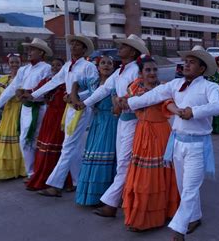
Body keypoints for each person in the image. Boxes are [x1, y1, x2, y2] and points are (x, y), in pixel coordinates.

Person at [118, 47, 219, 241]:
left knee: (190, 188)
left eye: (192, 62)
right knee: (184, 187)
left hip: (197, 145)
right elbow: (153, 95)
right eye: (186, 61)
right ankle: (195, 216)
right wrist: (129, 103)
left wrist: (194, 111)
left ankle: (178, 230)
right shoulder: (175, 84)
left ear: (202, 69)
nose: (186, 64)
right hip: (176, 143)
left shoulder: (210, 87)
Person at [76, 34, 149, 216]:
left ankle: (111, 203)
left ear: (132, 51)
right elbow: (104, 89)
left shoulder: (135, 71)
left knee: (124, 162)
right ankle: (122, 197)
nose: (119, 49)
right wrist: (84, 103)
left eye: (123, 46)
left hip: (133, 121)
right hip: (122, 121)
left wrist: (124, 102)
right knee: (121, 162)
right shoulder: (120, 71)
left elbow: (142, 95)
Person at [26, 34, 98, 197]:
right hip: (70, 108)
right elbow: (54, 82)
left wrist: (78, 97)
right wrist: (34, 95)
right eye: (72, 44)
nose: (73, 47)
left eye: (77, 45)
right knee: (75, 146)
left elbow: (94, 89)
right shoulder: (67, 66)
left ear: (84, 49)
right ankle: (77, 181)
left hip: (80, 108)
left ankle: (55, 184)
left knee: (68, 146)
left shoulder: (88, 67)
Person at [121, 54, 180, 232]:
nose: (152, 72)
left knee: (157, 175)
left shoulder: (163, 88)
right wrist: (118, 102)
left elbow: (168, 103)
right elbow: (123, 103)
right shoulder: (134, 87)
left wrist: (179, 111)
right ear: (141, 73)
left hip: (161, 133)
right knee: (142, 176)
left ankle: (161, 214)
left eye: (155, 69)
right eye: (148, 70)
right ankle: (140, 216)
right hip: (142, 132)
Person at [0, 39, 53, 180]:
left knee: (36, 139)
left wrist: (32, 95)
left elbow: (48, 88)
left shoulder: (46, 68)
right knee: (24, 139)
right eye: (29, 49)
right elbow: (13, 88)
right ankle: (31, 172)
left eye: (32, 49)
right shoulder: (24, 69)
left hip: (39, 108)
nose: (29, 52)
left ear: (41, 52)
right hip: (25, 108)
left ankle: (38, 172)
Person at [74, 55, 118, 206]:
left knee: (106, 154)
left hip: (111, 121)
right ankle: (91, 194)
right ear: (98, 67)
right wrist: (74, 99)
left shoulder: (115, 83)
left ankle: (106, 195)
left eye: (109, 63)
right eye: (103, 63)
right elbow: (76, 83)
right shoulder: (93, 82)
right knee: (92, 155)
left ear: (113, 67)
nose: (106, 65)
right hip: (97, 121)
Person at [26, 58, 73, 191]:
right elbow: (36, 92)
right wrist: (27, 94)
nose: (55, 67)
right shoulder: (47, 81)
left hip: (61, 116)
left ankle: (61, 180)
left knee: (58, 146)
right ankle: (41, 176)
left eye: (58, 65)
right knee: (44, 146)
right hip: (49, 116)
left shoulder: (66, 83)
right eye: (53, 65)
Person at [0, 54, 26, 179]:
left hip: (21, 108)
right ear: (8, 63)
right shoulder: (5, 79)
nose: (14, 65)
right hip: (8, 111)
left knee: (20, 135)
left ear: (21, 63)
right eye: (12, 62)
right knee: (6, 134)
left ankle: (22, 168)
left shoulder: (24, 77)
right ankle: (8, 169)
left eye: (17, 62)